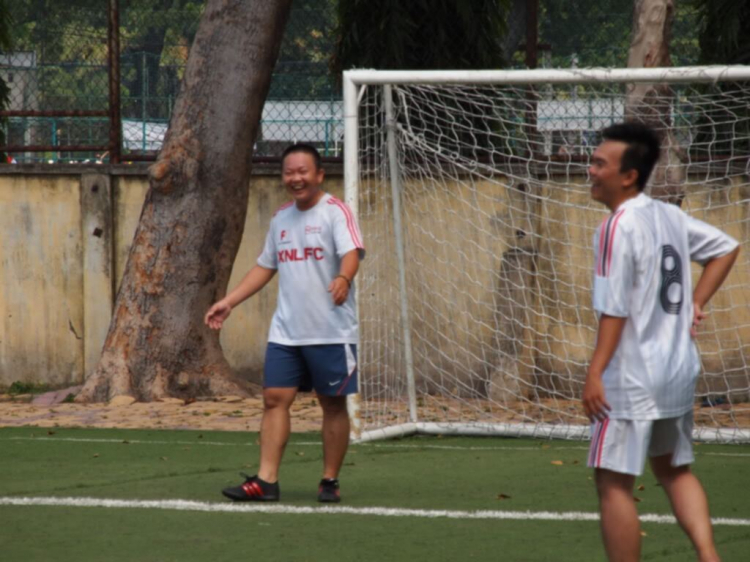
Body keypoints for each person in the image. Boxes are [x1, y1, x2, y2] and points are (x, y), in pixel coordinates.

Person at [583, 122, 739, 562]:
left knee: (613, 482)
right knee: (673, 470)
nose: (589, 170)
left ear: (628, 175)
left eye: (599, 163)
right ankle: (710, 557)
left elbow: (613, 310)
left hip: (631, 377)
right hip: (676, 369)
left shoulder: (616, 226)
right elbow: (727, 247)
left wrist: (595, 372)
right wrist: (695, 302)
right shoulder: (668, 214)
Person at [205, 143, 364, 503]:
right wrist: (229, 302)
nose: (296, 178)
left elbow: (351, 253)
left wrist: (343, 278)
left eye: (303, 171)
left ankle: (329, 480)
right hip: (286, 332)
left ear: (319, 175)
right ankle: (265, 482)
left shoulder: (336, 213)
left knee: (333, 404)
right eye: (289, 172)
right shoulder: (281, 218)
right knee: (274, 399)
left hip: (330, 331)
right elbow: (265, 266)